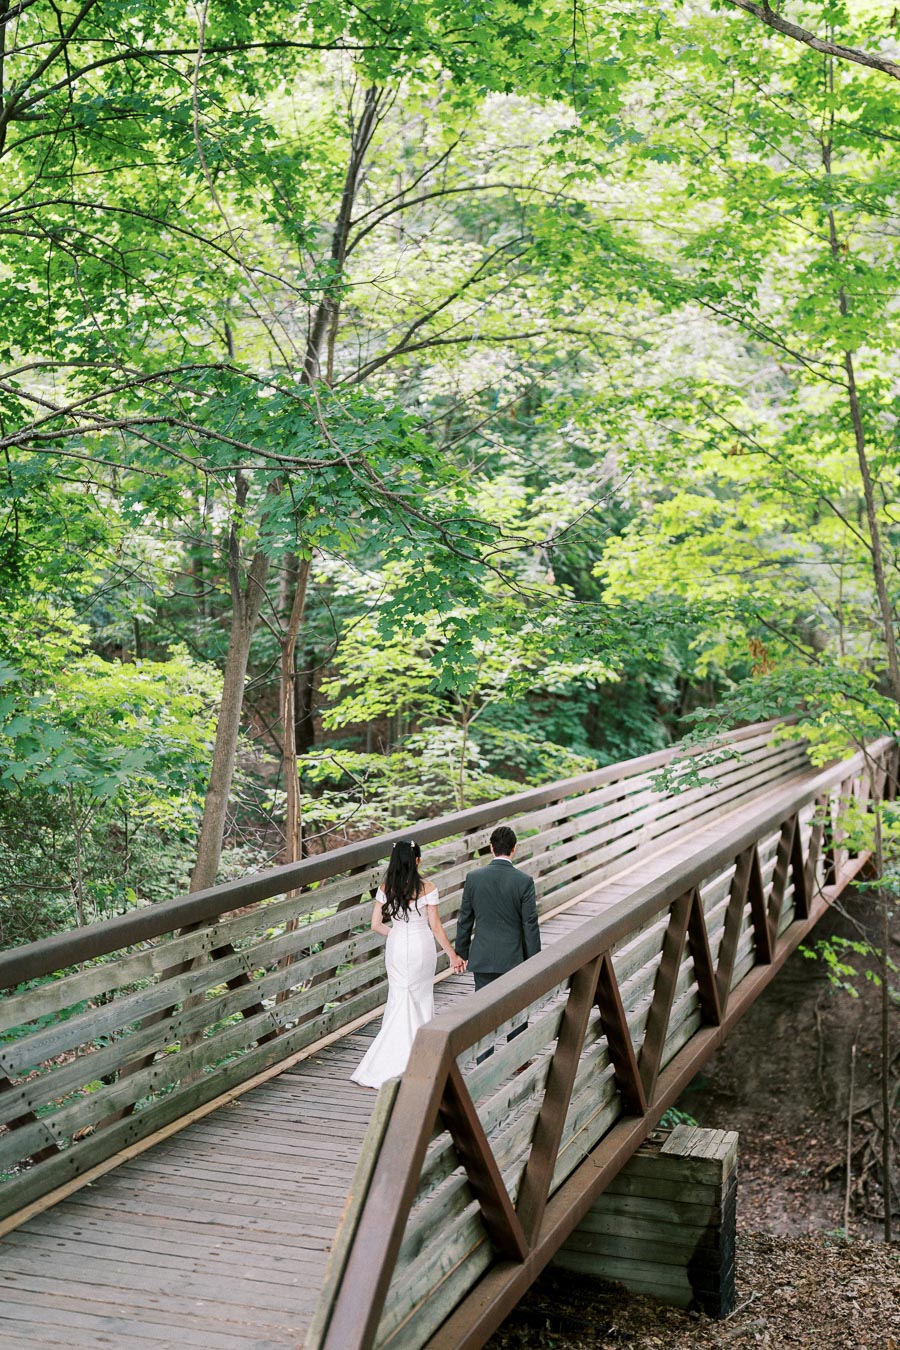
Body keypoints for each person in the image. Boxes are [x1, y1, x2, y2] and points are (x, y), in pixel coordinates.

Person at [351, 839, 464, 1089]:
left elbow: (375, 924)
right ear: (417, 860)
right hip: (421, 946)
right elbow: (435, 926)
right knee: (420, 997)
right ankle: (420, 1060)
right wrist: (452, 955)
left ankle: (386, 1063)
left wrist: (395, 934)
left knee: (398, 996)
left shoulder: (385, 887)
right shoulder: (427, 887)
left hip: (397, 944)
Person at [454, 825, 541, 1058]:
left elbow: (465, 920)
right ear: (514, 849)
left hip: (482, 956)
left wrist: (460, 953)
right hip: (513, 957)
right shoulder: (523, 881)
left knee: (483, 1010)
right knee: (516, 1007)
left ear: (491, 848)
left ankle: (484, 1059)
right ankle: (518, 1058)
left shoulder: (473, 878)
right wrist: (536, 960)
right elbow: (529, 924)